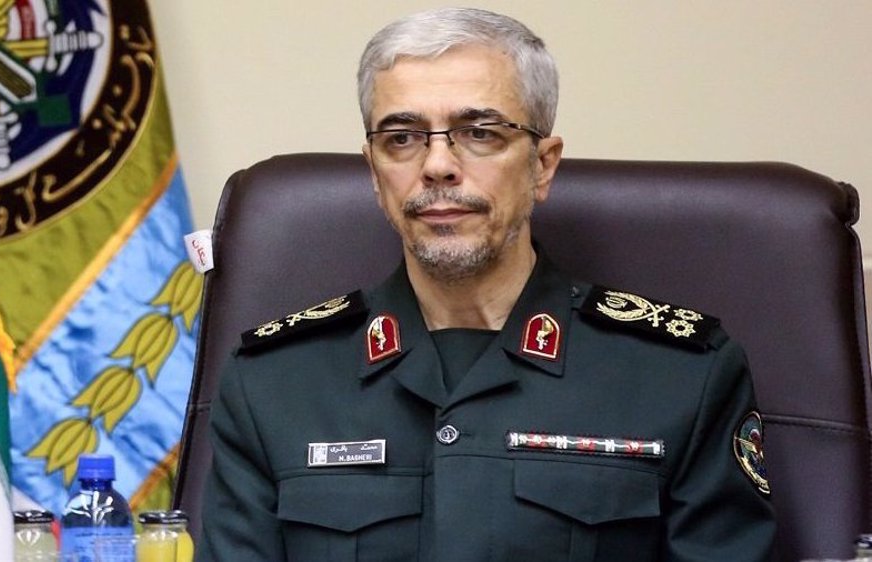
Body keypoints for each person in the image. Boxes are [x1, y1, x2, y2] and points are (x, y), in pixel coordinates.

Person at [200, 7, 775, 561]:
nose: (437, 165)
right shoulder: (274, 384)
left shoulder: (679, 375)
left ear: (543, 165)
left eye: (480, 133)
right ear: (375, 174)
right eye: (401, 138)